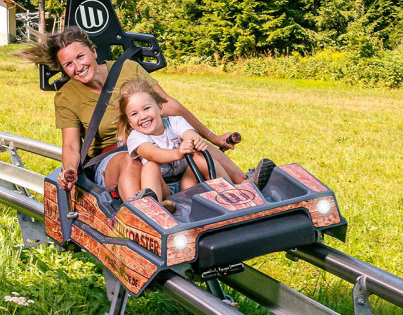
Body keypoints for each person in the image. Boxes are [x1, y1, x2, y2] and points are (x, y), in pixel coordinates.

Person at [16, 26, 250, 199]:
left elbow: (168, 105)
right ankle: (142, 216)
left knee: (199, 148)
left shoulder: (128, 69)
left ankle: (247, 186)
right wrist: (69, 169)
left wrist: (212, 137)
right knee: (134, 159)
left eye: (80, 57)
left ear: (94, 52)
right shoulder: (66, 96)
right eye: (68, 65)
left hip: (155, 141)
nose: (77, 67)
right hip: (113, 155)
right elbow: (70, 145)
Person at [118, 79, 240, 207]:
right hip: (163, 188)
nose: (142, 116)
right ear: (130, 122)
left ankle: (230, 190)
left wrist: (194, 139)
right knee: (150, 166)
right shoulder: (136, 137)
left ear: (160, 108)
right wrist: (177, 153)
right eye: (134, 114)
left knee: (201, 155)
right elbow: (152, 153)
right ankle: (156, 207)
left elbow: (188, 133)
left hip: (187, 182)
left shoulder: (175, 122)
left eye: (147, 108)